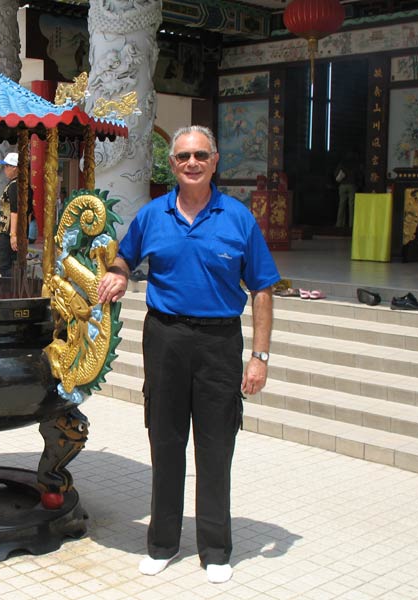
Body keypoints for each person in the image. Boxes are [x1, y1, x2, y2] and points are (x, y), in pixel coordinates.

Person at [97, 125, 280, 584]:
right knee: (166, 440)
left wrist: (260, 356)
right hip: (166, 338)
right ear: (173, 164)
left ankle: (216, 550)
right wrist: (119, 274)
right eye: (183, 157)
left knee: (216, 446)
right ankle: (162, 543)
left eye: (201, 155)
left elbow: (262, 289)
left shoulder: (238, 218)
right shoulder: (152, 215)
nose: (192, 163)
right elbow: (125, 257)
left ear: (215, 161)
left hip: (219, 342)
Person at [0, 152, 33, 277]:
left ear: (15, 168)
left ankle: (12, 289)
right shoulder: (25, 186)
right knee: (16, 263)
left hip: (10, 232)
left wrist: (13, 235)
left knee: (5, 266)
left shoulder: (14, 186)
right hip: (18, 232)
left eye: (6, 166)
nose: (4, 169)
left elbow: (15, 211)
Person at [334, 152, 359, 228]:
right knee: (351, 205)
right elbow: (358, 175)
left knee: (341, 205)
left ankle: (339, 224)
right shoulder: (355, 164)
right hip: (352, 185)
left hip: (342, 186)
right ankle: (351, 225)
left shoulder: (342, 164)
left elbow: (336, 174)